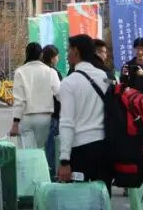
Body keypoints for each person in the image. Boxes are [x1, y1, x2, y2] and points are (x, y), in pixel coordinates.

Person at [57, 34, 113, 185]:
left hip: (80, 149)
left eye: (68, 50)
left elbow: (67, 123)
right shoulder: (104, 77)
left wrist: (64, 160)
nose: (67, 54)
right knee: (102, 195)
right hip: (104, 147)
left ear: (76, 51)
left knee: (79, 197)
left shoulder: (69, 83)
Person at [10, 42, 62, 151]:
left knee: (28, 151)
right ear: (41, 55)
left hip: (26, 118)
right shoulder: (51, 72)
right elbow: (59, 94)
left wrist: (15, 123)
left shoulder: (20, 72)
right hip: (45, 117)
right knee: (43, 151)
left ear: (26, 54)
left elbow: (19, 101)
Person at [42, 44, 63, 174]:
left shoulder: (38, 71)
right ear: (52, 58)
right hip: (53, 114)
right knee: (51, 148)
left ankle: (45, 172)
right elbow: (59, 94)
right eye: (57, 56)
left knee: (44, 147)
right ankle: (51, 174)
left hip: (39, 113)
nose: (58, 59)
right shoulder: (53, 72)